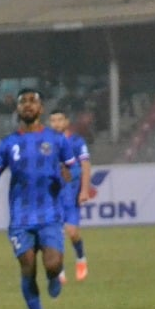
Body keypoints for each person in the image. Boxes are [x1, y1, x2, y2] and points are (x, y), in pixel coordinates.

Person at [0, 88, 81, 309]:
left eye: (32, 101)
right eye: (22, 102)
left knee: (53, 264)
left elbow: (74, 169)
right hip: (21, 216)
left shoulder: (57, 140)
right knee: (27, 265)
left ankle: (55, 276)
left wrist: (69, 176)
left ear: (41, 108)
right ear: (17, 109)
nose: (27, 105)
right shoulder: (8, 143)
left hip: (49, 214)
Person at [48, 108, 92, 282]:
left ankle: (80, 258)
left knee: (72, 233)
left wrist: (84, 190)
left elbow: (86, 165)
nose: (56, 123)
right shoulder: (46, 144)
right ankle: (59, 269)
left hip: (71, 195)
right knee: (54, 233)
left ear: (66, 122)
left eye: (59, 120)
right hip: (52, 196)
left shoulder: (76, 141)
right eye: (53, 120)